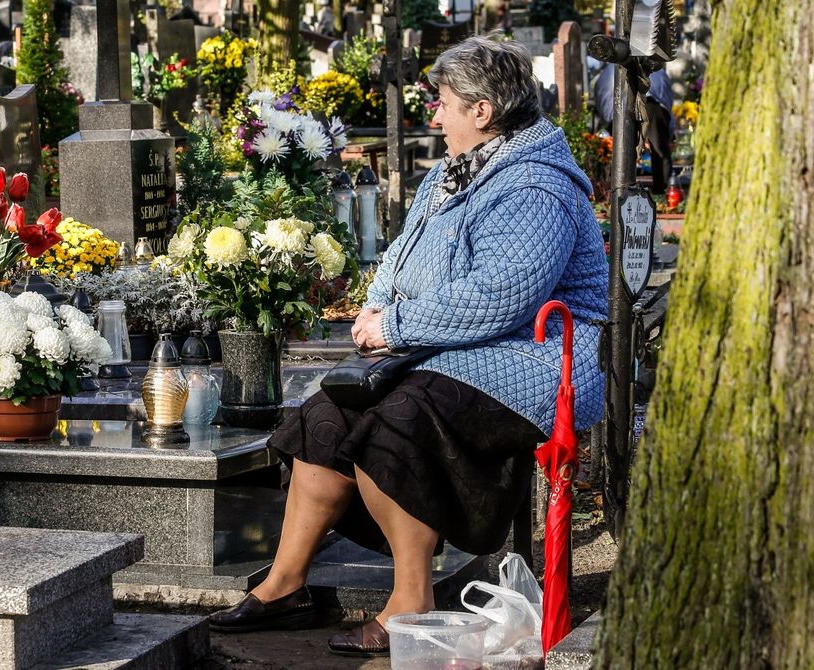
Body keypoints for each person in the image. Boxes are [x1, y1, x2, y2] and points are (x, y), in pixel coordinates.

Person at [208, 36, 608, 658]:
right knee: (328, 413)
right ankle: (285, 584)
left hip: (537, 359)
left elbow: (504, 294)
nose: (435, 115)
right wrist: (377, 306)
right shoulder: (453, 174)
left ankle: (411, 599)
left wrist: (397, 327)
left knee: (398, 421)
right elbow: (399, 258)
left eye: (443, 103)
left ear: (483, 111)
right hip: (455, 351)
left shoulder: (535, 187)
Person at [593, 61, 675, 192]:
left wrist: (609, 122)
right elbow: (666, 94)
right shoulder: (653, 65)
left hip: (620, 108)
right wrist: (669, 130)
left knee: (621, 148)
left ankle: (620, 188)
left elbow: (601, 97)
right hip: (651, 104)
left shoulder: (609, 70)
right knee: (659, 148)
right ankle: (662, 188)